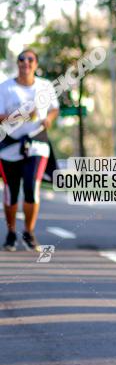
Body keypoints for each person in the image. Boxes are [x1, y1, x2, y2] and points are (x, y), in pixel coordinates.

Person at [0, 49, 59, 252]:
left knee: (31, 189)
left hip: (37, 144)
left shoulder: (45, 86)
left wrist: (49, 119)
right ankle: (10, 232)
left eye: (30, 59)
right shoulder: (5, 88)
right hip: (9, 146)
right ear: (17, 63)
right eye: (22, 59)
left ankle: (29, 232)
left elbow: (54, 108)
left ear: (36, 64)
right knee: (11, 192)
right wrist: (21, 116)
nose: (26, 63)